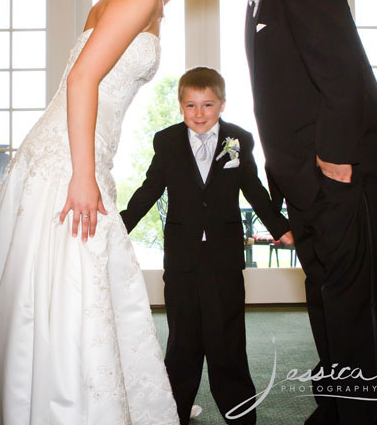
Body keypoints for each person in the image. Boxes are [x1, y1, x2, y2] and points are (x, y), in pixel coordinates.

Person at [0, 0, 209, 425]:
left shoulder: (152, 1)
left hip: (83, 151)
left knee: (85, 289)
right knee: (72, 286)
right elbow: (81, 79)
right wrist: (84, 175)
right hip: (69, 160)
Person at [203, 0, 377, 425]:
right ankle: (334, 408)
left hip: (344, 181)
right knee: (328, 309)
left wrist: (335, 159)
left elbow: (339, 66)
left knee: (359, 316)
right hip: (309, 191)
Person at [120, 66, 292, 425]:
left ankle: (240, 415)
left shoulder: (238, 139)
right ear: (181, 106)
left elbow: (255, 190)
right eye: (191, 106)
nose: (199, 114)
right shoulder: (166, 142)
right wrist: (121, 226)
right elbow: (149, 190)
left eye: (208, 105)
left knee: (228, 341)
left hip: (223, 259)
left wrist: (281, 228)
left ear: (222, 104)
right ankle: (174, 413)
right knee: (182, 343)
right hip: (182, 259)